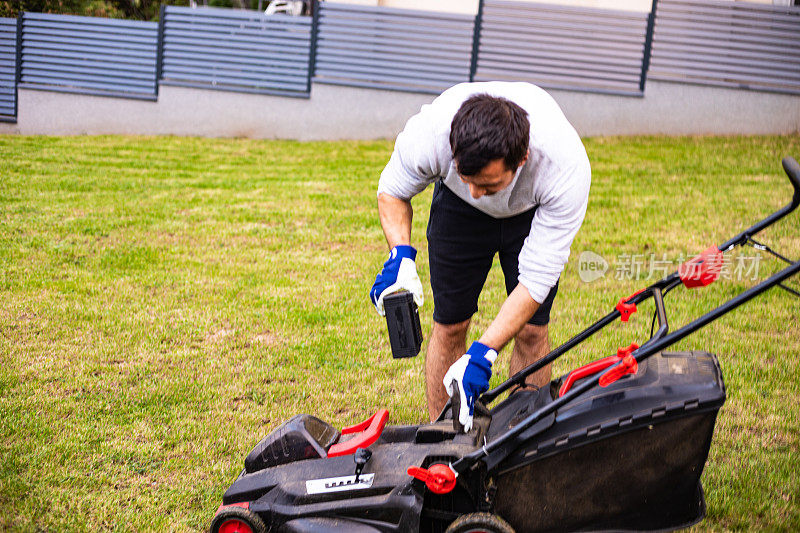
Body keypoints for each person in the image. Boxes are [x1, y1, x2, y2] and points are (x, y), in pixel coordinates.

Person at [370, 81, 591, 432]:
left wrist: (485, 351)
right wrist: (400, 255)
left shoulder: (563, 165)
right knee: (450, 325)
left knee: (533, 331)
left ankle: (523, 442)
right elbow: (393, 190)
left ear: (521, 160)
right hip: (457, 215)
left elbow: (535, 281)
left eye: (487, 185)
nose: (476, 193)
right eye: (466, 177)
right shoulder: (433, 132)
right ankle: (445, 443)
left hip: (531, 212)